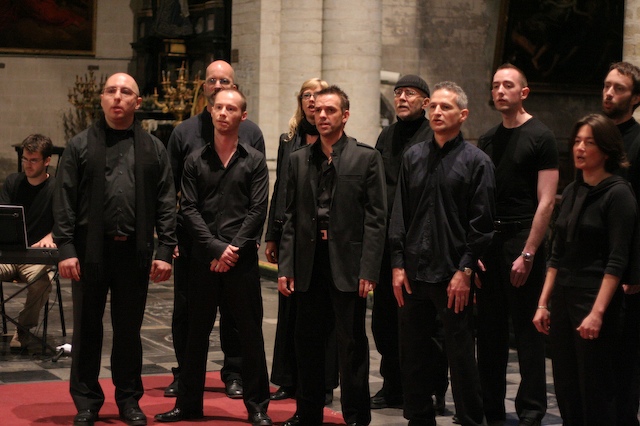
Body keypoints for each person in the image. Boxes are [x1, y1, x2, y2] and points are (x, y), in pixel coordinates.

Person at [54, 72, 177, 426]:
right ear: (102, 99)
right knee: (87, 330)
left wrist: (164, 251)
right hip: (89, 253)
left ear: (138, 102)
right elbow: (64, 200)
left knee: (128, 332)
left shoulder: (153, 147)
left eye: (125, 92)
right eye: (111, 91)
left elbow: (166, 201)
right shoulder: (79, 145)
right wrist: (66, 249)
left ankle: (128, 400)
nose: (117, 97)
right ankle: (87, 402)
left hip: (134, 253)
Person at [155, 88, 272, 426]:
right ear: (210, 112)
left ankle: (257, 407)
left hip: (241, 262)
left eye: (230, 108)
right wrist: (216, 248)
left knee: (249, 335)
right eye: (218, 107)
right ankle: (188, 405)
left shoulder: (254, 160)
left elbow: (257, 210)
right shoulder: (195, 160)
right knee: (195, 335)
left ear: (242, 116)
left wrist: (232, 249)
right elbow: (188, 209)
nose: (223, 113)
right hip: (203, 260)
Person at [278, 85, 387, 426]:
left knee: (351, 343)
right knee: (306, 341)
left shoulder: (366, 157)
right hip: (309, 263)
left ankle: (356, 416)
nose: (322, 115)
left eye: (330, 110)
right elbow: (290, 218)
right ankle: (308, 412)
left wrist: (369, 269)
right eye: (317, 110)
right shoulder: (298, 159)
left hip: (348, 265)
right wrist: (285, 266)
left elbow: (376, 219)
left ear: (345, 115)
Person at [389, 81, 495, 426]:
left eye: (445, 107)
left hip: (453, 275)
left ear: (462, 115)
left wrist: (465, 271)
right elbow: (400, 214)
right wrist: (397, 264)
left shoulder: (477, 162)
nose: (436, 111)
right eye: (432, 106)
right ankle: (419, 419)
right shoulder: (413, 156)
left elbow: (482, 224)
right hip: (414, 272)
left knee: (461, 357)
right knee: (413, 356)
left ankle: (471, 420)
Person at [533, 114, 637, 425]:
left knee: (596, 389)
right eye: (577, 141)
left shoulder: (619, 193)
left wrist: (597, 313)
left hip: (595, 298)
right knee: (566, 387)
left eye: (589, 142)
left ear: (605, 150)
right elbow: (556, 254)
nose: (580, 148)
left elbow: (617, 260)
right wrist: (543, 303)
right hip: (564, 297)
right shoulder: (572, 191)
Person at [475, 64, 558, 426]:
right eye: (495, 85)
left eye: (507, 85)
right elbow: (479, 198)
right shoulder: (488, 138)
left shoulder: (541, 135)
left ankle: (532, 410)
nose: (500, 91)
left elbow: (547, 201)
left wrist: (529, 252)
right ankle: (491, 408)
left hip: (523, 239)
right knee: (489, 331)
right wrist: (476, 249)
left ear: (523, 92)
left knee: (527, 332)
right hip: (490, 241)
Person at [371, 74, 448, 413]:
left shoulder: (433, 136)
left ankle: (431, 388)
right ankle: (393, 385)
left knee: (425, 324)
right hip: (387, 243)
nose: (402, 98)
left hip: (420, 245)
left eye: (410, 93)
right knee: (385, 320)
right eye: (398, 93)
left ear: (425, 102)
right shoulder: (386, 136)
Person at [264, 78, 339, 405]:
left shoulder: (332, 139)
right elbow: (280, 187)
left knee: (322, 315)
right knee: (289, 311)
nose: (312, 101)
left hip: (320, 237)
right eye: (307, 95)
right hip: (291, 233)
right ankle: (287, 379)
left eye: (318, 95)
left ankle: (323, 383)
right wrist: (272, 233)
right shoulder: (288, 140)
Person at [601, 61, 640, 426]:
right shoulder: (594, 139)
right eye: (607, 86)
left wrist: (635, 272)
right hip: (593, 265)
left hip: (627, 267)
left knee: (623, 361)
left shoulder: (638, 142)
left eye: (619, 88)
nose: (609, 93)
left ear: (636, 98)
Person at [0, 134, 56, 349]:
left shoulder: (56, 187)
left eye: (33, 160)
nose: (27, 164)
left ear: (47, 160)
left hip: (35, 258)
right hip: (8, 254)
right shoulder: (13, 182)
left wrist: (51, 236)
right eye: (25, 159)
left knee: (42, 283)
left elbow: (66, 221)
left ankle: (22, 329)